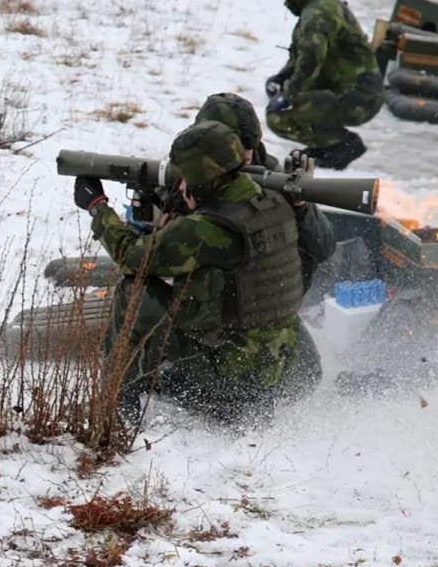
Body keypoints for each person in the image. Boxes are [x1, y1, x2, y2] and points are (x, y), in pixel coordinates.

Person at [74, 121, 321, 423]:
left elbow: (133, 257)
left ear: (205, 178)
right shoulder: (276, 203)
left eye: (184, 178)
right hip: (285, 366)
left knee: (134, 289)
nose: (180, 187)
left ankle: (114, 406)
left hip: (232, 378)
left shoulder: (207, 228)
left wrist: (98, 207)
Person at [196, 92, 336, 290]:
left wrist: (301, 205)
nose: (245, 156)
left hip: (265, 299)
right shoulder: (187, 170)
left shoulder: (270, 175)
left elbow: (323, 249)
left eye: (248, 146)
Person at [265, 0, 383, 170]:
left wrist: (289, 95)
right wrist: (282, 78)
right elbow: (302, 56)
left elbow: (311, 59)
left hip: (357, 97)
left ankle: (341, 145)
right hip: (354, 90)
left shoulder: (318, 12)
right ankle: (325, 144)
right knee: (287, 104)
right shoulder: (319, 6)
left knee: (278, 116)